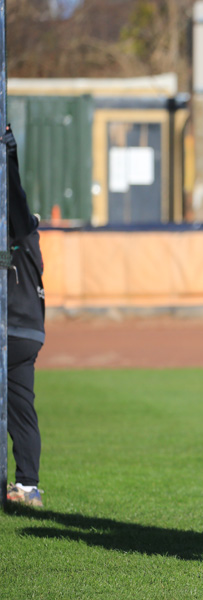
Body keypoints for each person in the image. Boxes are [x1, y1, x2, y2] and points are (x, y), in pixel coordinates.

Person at [4, 125, 47, 508]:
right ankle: (27, 487)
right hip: (30, 334)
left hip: (10, 328)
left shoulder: (21, 237)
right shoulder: (31, 248)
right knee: (22, 408)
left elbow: (13, 195)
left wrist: (9, 151)